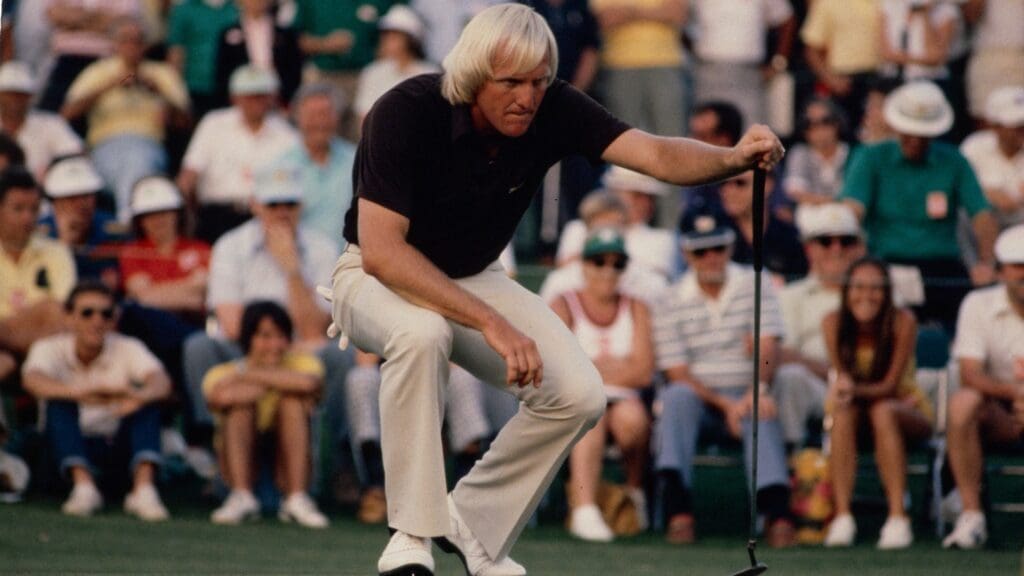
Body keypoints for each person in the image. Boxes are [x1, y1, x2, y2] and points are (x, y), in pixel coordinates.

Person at [328, 5, 785, 575]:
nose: (528, 96)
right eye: (512, 82)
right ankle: (411, 538)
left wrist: (732, 158)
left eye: (539, 81)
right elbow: (383, 252)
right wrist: (492, 323)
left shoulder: (554, 107)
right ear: (474, 75)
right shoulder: (406, 110)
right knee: (423, 334)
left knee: (579, 395)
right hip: (373, 276)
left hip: (473, 275)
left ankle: (472, 525)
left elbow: (655, 154)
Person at [652, 214, 795, 548]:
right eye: (701, 252)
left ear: (729, 247)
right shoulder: (668, 298)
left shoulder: (754, 282)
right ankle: (678, 507)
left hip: (746, 389)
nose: (711, 257)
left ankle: (775, 510)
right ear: (687, 255)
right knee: (676, 396)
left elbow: (768, 345)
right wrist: (727, 405)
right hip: (700, 397)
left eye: (717, 248)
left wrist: (753, 391)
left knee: (760, 405)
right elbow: (677, 371)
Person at [840, 80, 999, 334]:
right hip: (886, 262)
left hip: (941, 265)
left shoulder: (954, 161)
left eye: (922, 133)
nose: (914, 139)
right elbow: (852, 210)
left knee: (970, 316)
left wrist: (986, 261)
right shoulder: (870, 157)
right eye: (908, 131)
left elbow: (982, 214)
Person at [22, 281, 172, 520]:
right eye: (87, 313)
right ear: (69, 317)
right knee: (58, 403)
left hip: (112, 446)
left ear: (114, 319)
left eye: (106, 314)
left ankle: (143, 489)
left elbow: (161, 382)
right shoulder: (48, 348)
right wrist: (83, 393)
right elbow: (33, 380)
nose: (97, 321)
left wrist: (137, 397)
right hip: (60, 452)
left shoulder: (128, 347)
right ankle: (83, 487)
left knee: (147, 405)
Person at [821, 257, 934, 549]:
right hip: (857, 414)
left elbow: (889, 386)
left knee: (883, 410)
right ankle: (843, 516)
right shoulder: (832, 322)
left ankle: (898, 516)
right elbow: (843, 381)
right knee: (844, 413)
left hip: (905, 410)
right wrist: (849, 391)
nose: (866, 296)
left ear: (887, 292)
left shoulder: (903, 321)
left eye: (876, 288)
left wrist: (852, 390)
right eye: (858, 287)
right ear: (846, 291)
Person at [550, 227, 654, 542]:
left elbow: (644, 370)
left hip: (624, 400)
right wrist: (613, 368)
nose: (608, 271)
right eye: (599, 261)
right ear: (584, 265)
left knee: (632, 420)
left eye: (617, 263)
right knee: (592, 416)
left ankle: (634, 494)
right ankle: (584, 507)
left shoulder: (637, 306)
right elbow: (558, 366)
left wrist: (590, 366)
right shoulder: (563, 303)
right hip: (578, 399)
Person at [203, 300, 329, 528]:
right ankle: (241, 496)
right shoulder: (222, 372)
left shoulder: (303, 363)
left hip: (287, 477)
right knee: (241, 407)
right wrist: (278, 380)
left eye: (281, 336)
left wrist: (249, 375)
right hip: (238, 476)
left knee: (291, 402)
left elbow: (310, 384)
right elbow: (221, 397)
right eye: (265, 336)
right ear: (248, 338)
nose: (275, 344)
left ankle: (297, 498)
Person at [61, 17, 191, 223]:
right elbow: (67, 113)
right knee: (131, 162)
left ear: (145, 45)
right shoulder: (99, 72)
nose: (132, 46)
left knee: (137, 159)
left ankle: (125, 219)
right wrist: (113, 83)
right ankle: (131, 219)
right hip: (105, 147)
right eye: (125, 40)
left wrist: (158, 92)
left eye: (138, 41)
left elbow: (186, 123)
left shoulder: (162, 74)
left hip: (150, 146)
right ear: (115, 43)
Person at [943, 224, 1024, 549]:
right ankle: (971, 515)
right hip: (1000, 415)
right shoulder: (977, 304)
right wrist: (1016, 394)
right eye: (1017, 266)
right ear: (1001, 271)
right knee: (963, 402)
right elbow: (970, 374)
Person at [774, 204, 865, 449]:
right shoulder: (789, 296)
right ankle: (794, 463)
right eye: (826, 241)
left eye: (846, 241)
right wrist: (832, 374)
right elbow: (782, 355)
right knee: (790, 377)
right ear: (809, 249)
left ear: (860, 248)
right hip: (816, 386)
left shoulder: (877, 292)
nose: (836, 249)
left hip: (871, 385)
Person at [177, 65, 299, 244]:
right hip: (216, 216)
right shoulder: (214, 124)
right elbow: (190, 173)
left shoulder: (287, 135)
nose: (256, 101)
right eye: (249, 96)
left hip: (265, 218)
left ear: (272, 97)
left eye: (261, 95)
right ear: (235, 98)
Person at [0, 167, 76, 386]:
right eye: (18, 209)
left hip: (45, 349)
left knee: (54, 311)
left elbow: (62, 315)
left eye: (34, 210)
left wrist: (9, 330)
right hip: (13, 349)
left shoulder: (56, 252)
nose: (28, 217)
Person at [555, 166, 678, 280]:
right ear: (614, 192)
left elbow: (655, 282)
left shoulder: (662, 238)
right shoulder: (577, 229)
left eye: (650, 197)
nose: (645, 203)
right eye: (636, 195)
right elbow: (565, 274)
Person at [277, 83, 357, 251]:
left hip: (348, 263)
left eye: (325, 114)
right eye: (311, 115)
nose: (319, 122)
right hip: (303, 265)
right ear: (297, 118)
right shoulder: (280, 166)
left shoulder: (357, 160)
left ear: (337, 118)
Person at [39, 154, 130, 289]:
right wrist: (65, 242)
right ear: (56, 201)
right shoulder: (40, 234)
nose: (81, 204)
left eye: (86, 196)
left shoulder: (113, 230)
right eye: (72, 198)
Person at [353, 5, 439, 131]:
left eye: (394, 35)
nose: (387, 40)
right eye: (386, 35)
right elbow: (364, 117)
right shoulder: (372, 72)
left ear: (409, 40)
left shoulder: (430, 72)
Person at [799, 0, 881, 132]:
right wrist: (831, 80)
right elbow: (811, 49)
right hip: (844, 81)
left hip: (878, 81)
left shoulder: (886, 3)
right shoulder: (828, 3)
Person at [0, 61, 83, 181]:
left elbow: (75, 154)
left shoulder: (51, 123)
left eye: (20, 94)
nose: (14, 100)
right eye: (9, 94)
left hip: (46, 189)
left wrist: (50, 171)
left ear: (30, 96)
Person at [214, 0, 303, 109]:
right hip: (243, 97)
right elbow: (223, 70)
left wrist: (286, 100)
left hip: (278, 99)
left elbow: (293, 68)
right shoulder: (228, 33)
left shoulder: (286, 34)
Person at [959, 86, 1024, 229]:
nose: (1022, 129)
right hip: (979, 227)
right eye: (1016, 125)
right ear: (995, 126)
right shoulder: (974, 147)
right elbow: (958, 187)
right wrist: (986, 193)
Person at [783, 99, 851, 209]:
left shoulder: (852, 154)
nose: (819, 129)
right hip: (809, 220)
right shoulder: (800, 153)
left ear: (837, 123)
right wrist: (835, 203)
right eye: (810, 124)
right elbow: (795, 192)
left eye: (826, 121)